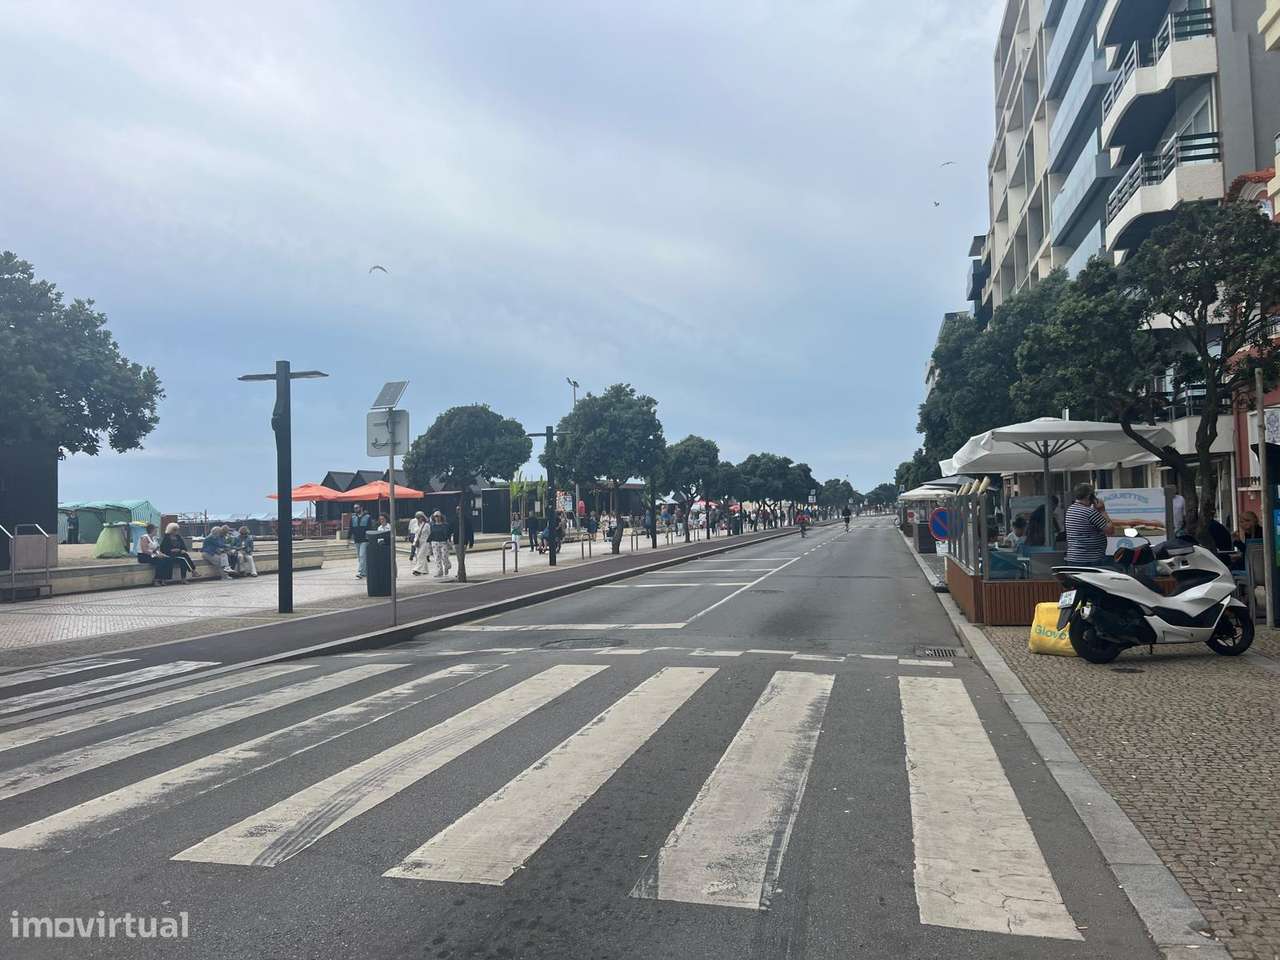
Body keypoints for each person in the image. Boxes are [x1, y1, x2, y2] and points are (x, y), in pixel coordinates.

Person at [1064, 483, 1114, 566]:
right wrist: (1102, 511)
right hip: (1090, 559)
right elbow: (1110, 531)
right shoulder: (1090, 513)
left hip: (1074, 558)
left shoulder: (1070, 509)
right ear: (1089, 496)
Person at [349, 504, 373, 579]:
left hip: (365, 540)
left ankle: (360, 572)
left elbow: (370, 528)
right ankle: (364, 572)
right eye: (354, 508)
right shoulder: (353, 517)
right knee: (360, 557)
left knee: (362, 555)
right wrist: (348, 538)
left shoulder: (367, 517)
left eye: (357, 508)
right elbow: (351, 528)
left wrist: (370, 538)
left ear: (361, 508)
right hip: (357, 539)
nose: (355, 509)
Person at [427, 510, 452, 578]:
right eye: (435, 516)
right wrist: (429, 543)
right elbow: (431, 534)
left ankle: (447, 565)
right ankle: (439, 571)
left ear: (441, 517)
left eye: (438, 516)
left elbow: (448, 534)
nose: (437, 518)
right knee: (437, 558)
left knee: (444, 556)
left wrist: (449, 542)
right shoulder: (432, 525)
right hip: (435, 543)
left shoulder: (445, 525)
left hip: (443, 542)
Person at [411, 511, 431, 575]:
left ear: (422, 517)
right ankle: (425, 570)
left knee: (420, 556)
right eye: (417, 517)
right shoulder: (415, 525)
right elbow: (414, 534)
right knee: (421, 556)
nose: (419, 519)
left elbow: (429, 533)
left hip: (425, 542)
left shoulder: (427, 525)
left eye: (420, 517)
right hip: (417, 543)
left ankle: (417, 570)